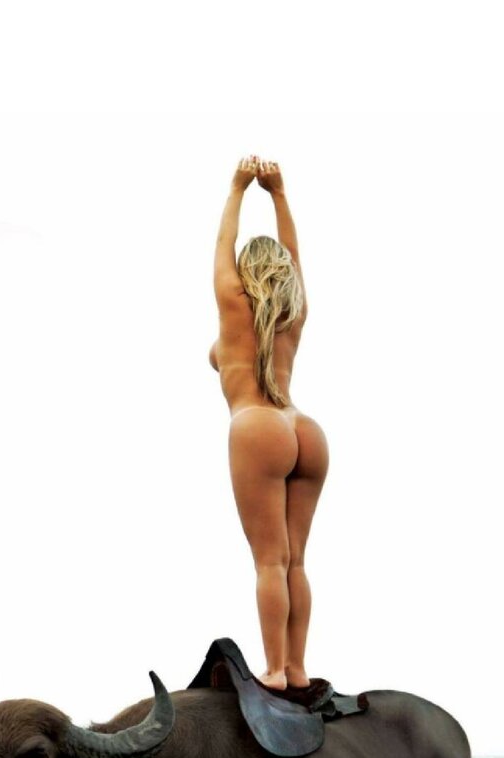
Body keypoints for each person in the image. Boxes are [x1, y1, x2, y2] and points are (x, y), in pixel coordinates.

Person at [209, 155, 329, 692]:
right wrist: (278, 193)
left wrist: (237, 186)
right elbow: (296, 257)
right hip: (303, 429)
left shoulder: (232, 303)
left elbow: (222, 245)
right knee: (295, 561)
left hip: (257, 428)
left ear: (245, 272)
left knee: (269, 562)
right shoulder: (293, 311)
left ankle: (276, 670)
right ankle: (297, 667)